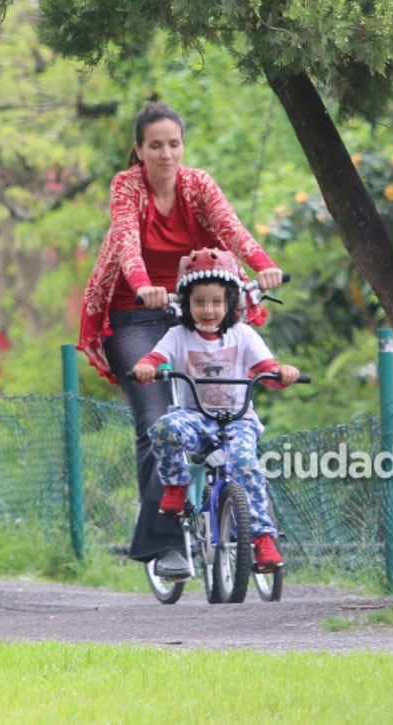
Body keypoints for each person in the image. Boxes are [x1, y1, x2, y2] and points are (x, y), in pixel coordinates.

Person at [77, 101, 284, 571]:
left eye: (174, 144)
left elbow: (232, 230)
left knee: (227, 404)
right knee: (156, 418)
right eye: (155, 146)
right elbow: (127, 239)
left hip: (196, 310)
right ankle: (166, 542)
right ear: (139, 150)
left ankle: (233, 509)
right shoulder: (127, 187)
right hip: (137, 312)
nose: (166, 154)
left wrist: (264, 266)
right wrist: (143, 284)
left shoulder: (198, 185)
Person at [132, 247, 300, 576]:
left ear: (230, 304)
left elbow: (267, 369)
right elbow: (155, 358)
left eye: (215, 302)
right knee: (165, 428)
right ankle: (176, 486)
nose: (207, 310)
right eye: (199, 302)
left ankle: (262, 537)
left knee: (246, 465)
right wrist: (145, 367)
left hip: (238, 420)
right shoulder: (178, 335)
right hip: (194, 418)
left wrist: (283, 374)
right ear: (186, 304)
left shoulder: (243, 335)